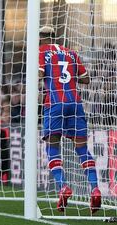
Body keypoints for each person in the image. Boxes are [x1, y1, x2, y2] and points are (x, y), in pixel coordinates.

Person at [38, 26, 101, 214]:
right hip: (75, 103)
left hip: (55, 103)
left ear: (41, 38)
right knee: (82, 148)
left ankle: (63, 186)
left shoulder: (41, 51)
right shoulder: (71, 53)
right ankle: (95, 189)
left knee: (52, 146)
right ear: (54, 36)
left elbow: (40, 74)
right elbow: (86, 79)